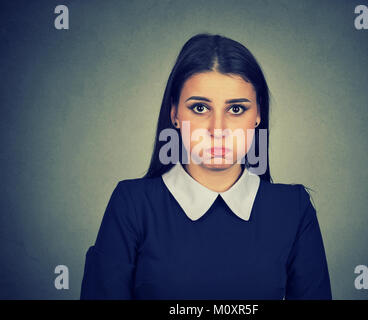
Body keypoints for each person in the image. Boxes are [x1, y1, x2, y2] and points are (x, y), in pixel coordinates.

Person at [80, 33, 332, 300]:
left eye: (236, 109)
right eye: (200, 108)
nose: (218, 129)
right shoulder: (131, 204)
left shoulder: (293, 208)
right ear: (175, 113)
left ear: (258, 114)